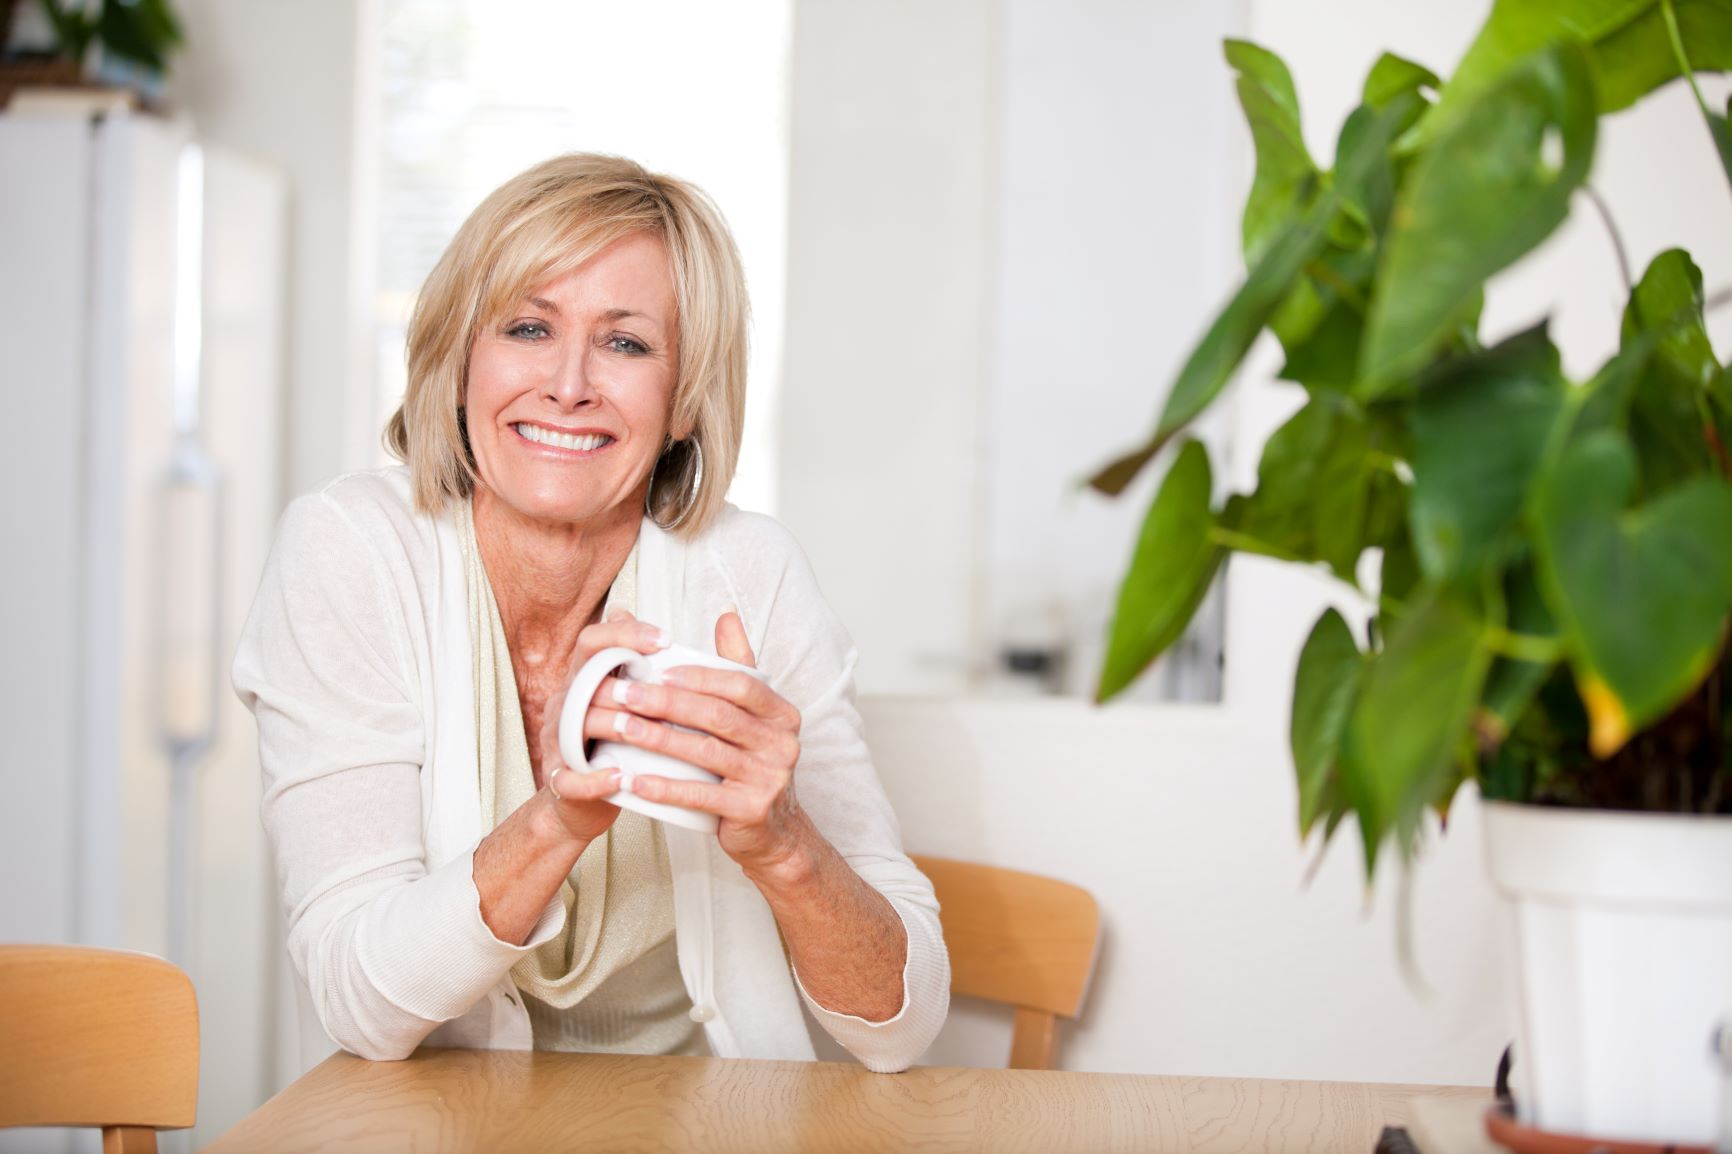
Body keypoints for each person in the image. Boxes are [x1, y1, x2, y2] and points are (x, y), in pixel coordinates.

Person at [232, 153, 949, 1070]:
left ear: (684, 397)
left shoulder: (750, 574)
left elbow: (902, 1026)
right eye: (528, 328)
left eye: (625, 343)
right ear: (459, 365)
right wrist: (557, 820)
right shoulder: (351, 553)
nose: (569, 385)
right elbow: (358, 1005)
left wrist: (784, 847)